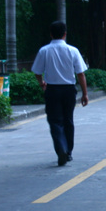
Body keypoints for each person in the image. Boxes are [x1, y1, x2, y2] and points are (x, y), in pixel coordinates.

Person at [32, 21, 89, 166]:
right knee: (68, 120)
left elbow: (37, 72)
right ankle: (68, 152)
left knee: (55, 121)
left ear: (51, 34)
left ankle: (61, 149)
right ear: (65, 34)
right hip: (69, 90)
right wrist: (85, 94)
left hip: (52, 90)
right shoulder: (73, 50)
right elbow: (80, 74)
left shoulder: (44, 51)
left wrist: (42, 82)